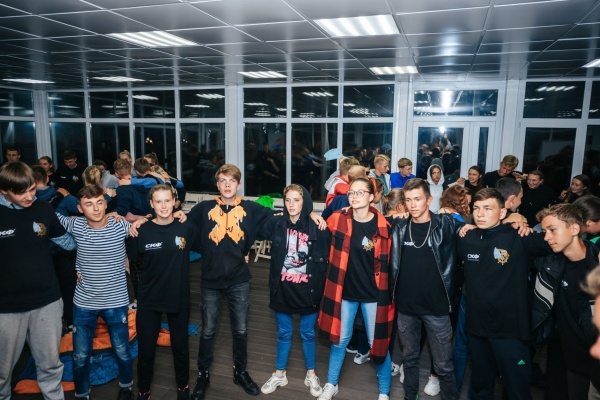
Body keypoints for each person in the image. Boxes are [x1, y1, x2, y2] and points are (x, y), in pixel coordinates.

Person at [185, 164, 281, 399]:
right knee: (208, 330)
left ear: (239, 184)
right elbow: (185, 228)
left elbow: (277, 219)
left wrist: (309, 214)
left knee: (240, 329)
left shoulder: (251, 209)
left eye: (232, 181)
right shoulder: (202, 209)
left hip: (239, 280)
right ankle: (203, 375)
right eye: (222, 180)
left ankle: (240, 372)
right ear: (217, 184)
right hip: (210, 280)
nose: (227, 185)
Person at [458, 188, 551, 400]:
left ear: (502, 212)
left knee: (517, 390)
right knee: (480, 387)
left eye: (487, 208)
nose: (480, 214)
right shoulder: (467, 238)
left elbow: (558, 242)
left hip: (510, 332)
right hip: (477, 329)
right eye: (476, 208)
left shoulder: (519, 236)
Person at [0, 161, 76, 400]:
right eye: (21, 192)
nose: (29, 196)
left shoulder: (43, 208)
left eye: (32, 189)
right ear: (4, 190)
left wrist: (92, 225)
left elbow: (68, 243)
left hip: (47, 300)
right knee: (2, 371)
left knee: (50, 365)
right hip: (6, 307)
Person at [56, 185, 135, 400]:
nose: (96, 208)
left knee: (122, 349)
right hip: (84, 303)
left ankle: (126, 386)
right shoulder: (75, 224)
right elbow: (49, 215)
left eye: (100, 202)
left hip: (115, 301)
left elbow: (147, 224)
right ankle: (82, 393)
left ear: (106, 203)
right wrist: (62, 196)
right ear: (80, 208)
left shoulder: (120, 225)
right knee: (80, 355)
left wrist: (169, 215)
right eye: (89, 204)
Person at [318, 177, 394, 400]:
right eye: (351, 192)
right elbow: (318, 226)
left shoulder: (384, 227)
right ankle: (331, 384)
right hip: (345, 293)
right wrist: (312, 216)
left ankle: (384, 392)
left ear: (372, 197)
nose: (354, 196)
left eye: (360, 192)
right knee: (340, 340)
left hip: (373, 295)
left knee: (376, 344)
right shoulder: (337, 219)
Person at [389, 178, 463, 400]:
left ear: (429, 200)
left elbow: (475, 230)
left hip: (437, 309)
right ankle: (410, 396)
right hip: (406, 308)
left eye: (418, 199)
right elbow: (367, 218)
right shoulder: (400, 227)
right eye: (408, 200)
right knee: (409, 358)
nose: (413, 205)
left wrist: (513, 219)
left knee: (443, 365)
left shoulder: (446, 225)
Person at [258, 184, 330, 397]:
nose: (291, 204)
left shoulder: (318, 227)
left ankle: (311, 374)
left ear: (304, 202)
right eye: (288, 200)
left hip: (308, 291)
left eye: (296, 200)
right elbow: (255, 223)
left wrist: (312, 214)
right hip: (283, 289)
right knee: (284, 333)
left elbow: (326, 260)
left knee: (308, 334)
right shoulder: (277, 223)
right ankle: (279, 373)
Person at [128, 185, 198, 400]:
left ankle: (183, 388)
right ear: (151, 204)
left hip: (178, 296)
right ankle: (144, 390)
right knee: (146, 350)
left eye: (167, 200)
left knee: (181, 347)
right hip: (149, 298)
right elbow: (129, 262)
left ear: (175, 201)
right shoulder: (140, 231)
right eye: (158, 201)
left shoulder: (186, 227)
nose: (164, 206)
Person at [532, 204, 600, 399]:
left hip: (590, 356)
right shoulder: (550, 263)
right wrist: (512, 221)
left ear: (574, 229)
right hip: (560, 353)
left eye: (552, 230)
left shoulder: (595, 264)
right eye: (544, 231)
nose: (546, 237)